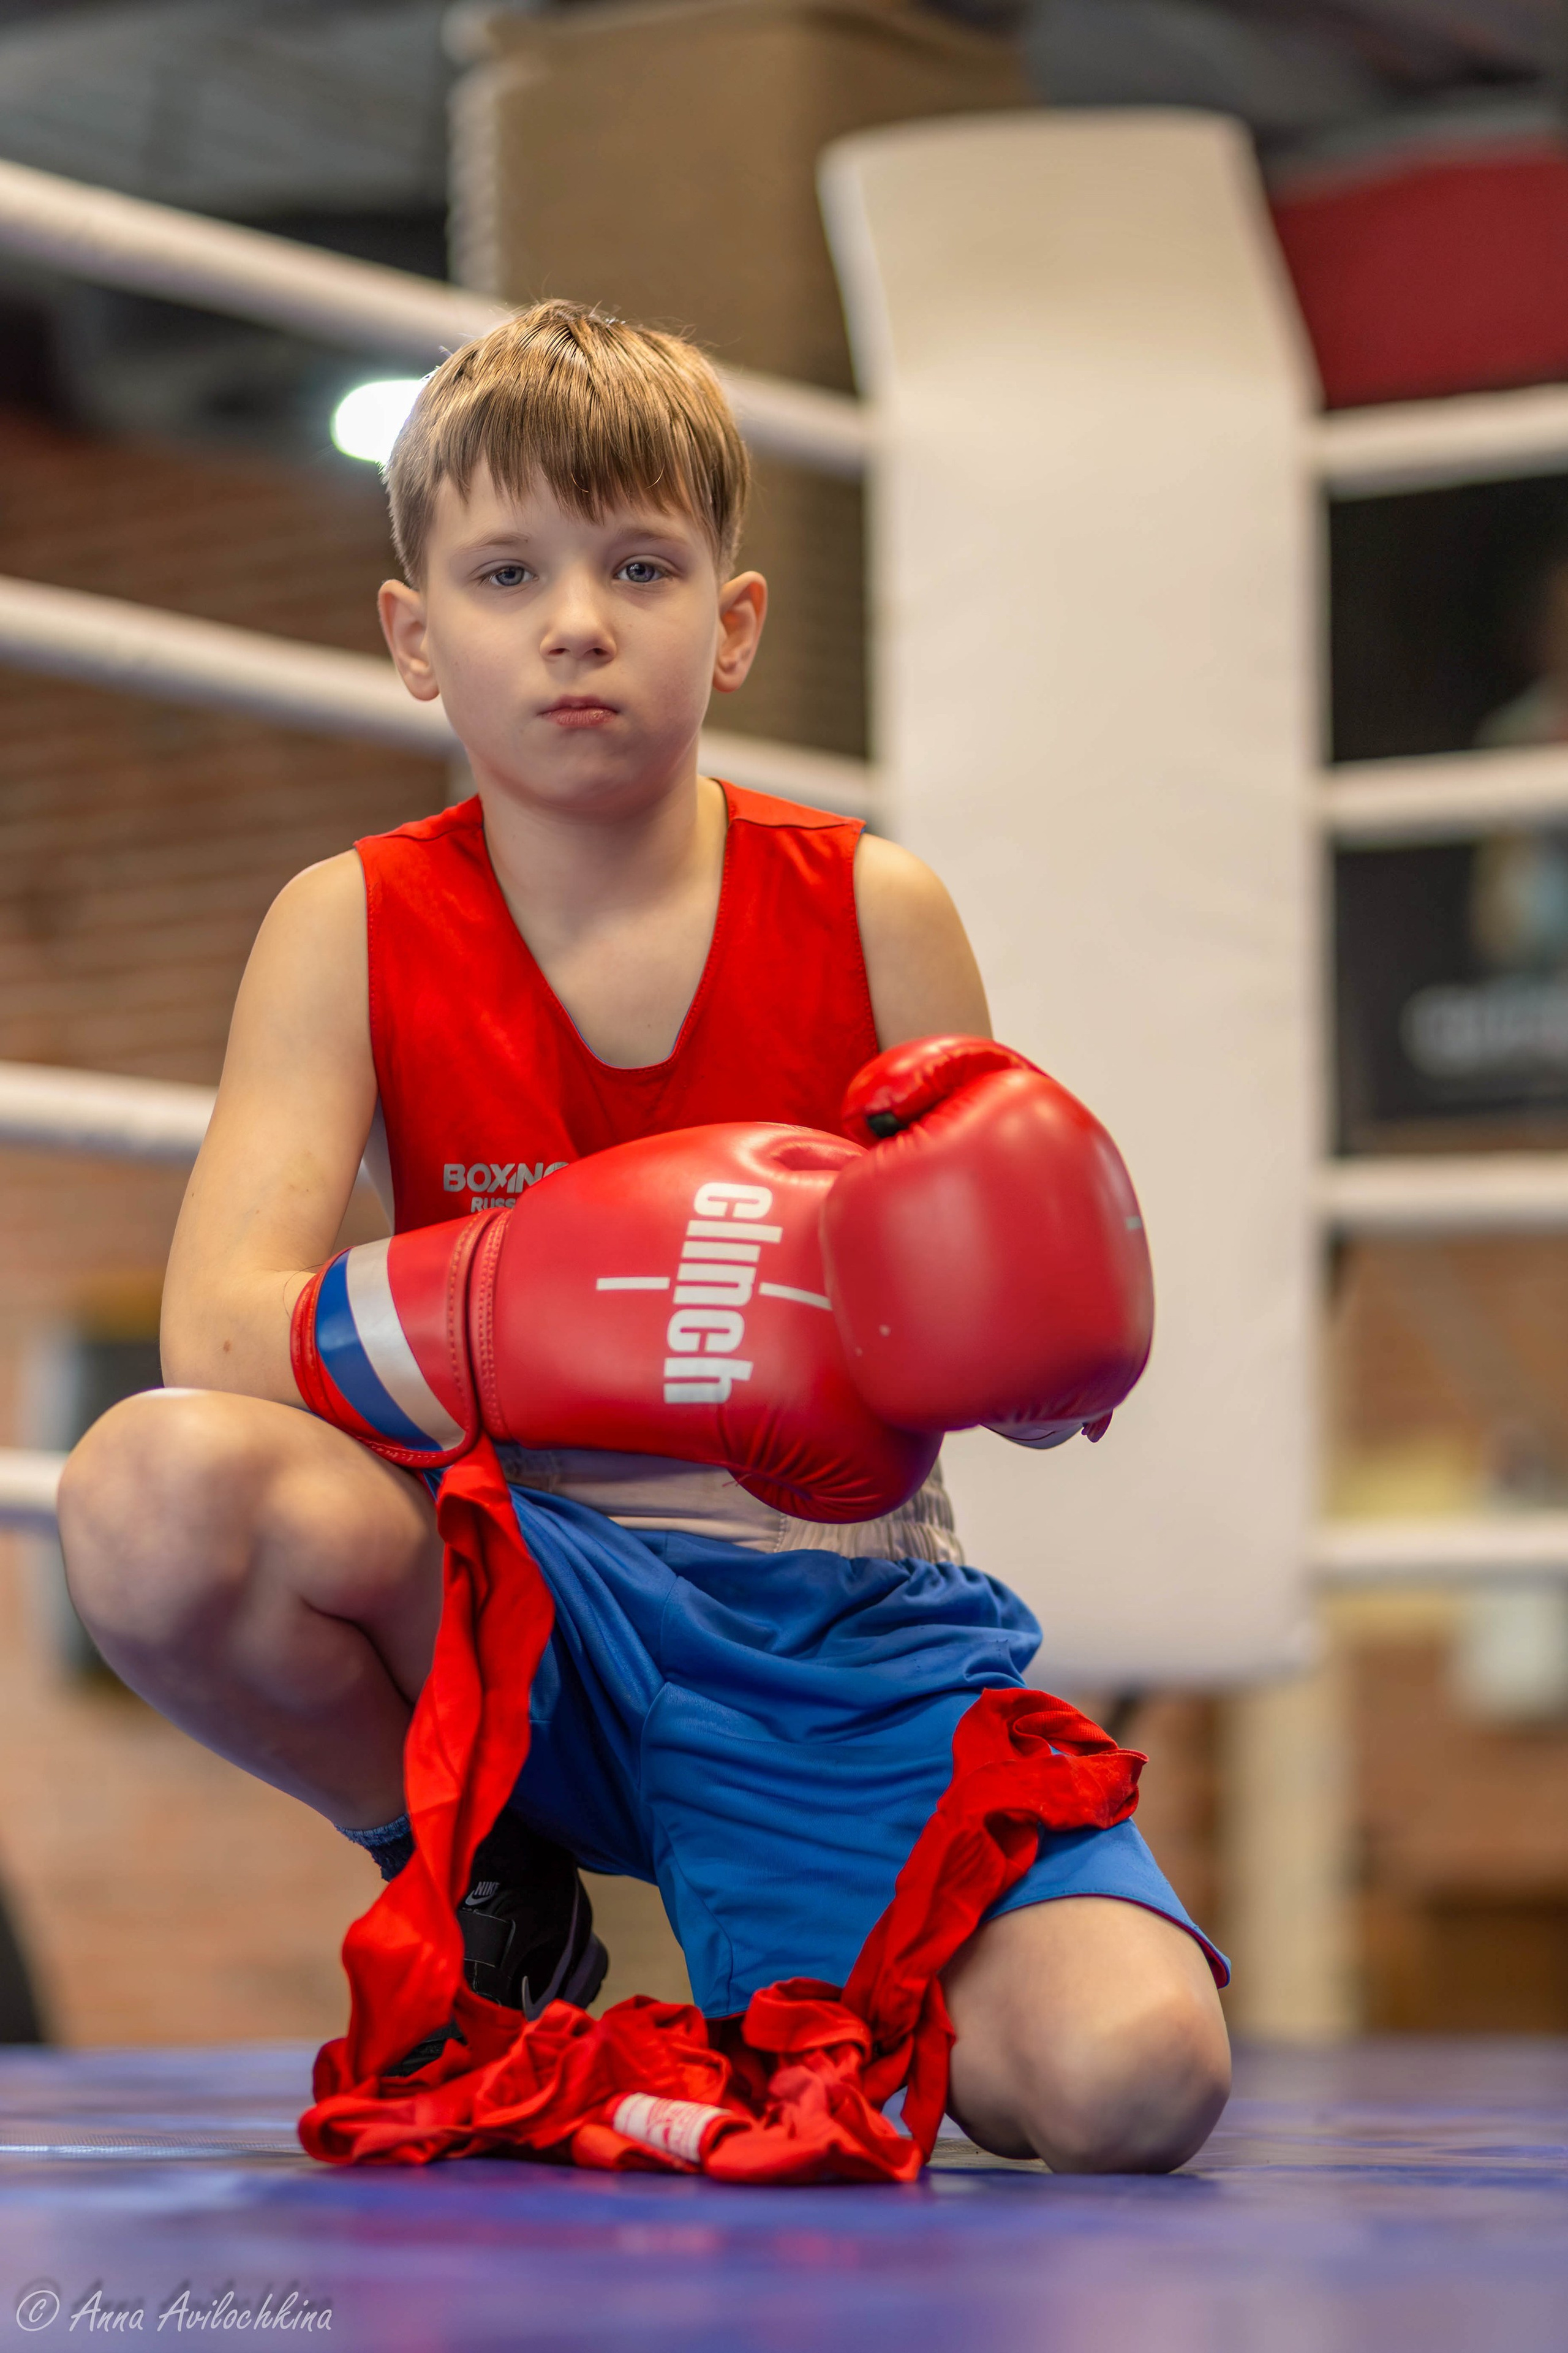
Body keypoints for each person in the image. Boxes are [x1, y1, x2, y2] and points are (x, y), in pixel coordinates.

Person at [58, 301, 1230, 2172]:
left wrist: (1031, 1327)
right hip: (530, 1611)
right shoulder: (348, 926)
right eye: (509, 572)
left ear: (734, 622)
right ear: (417, 639)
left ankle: (822, 1935)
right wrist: (560, 1300)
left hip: (841, 1636)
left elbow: (1008, 1356)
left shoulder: (869, 905)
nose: (577, 620)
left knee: (1134, 2081)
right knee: (147, 1490)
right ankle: (479, 1873)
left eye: (639, 565)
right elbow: (218, 1334)